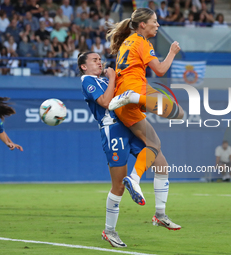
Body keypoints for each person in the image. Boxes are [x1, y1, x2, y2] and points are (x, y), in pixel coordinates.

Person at [78, 52, 181, 247]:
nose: (99, 62)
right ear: (83, 66)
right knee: (118, 185)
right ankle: (109, 231)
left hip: (129, 124)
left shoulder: (103, 79)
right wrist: (113, 79)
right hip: (113, 131)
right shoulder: (87, 81)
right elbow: (106, 103)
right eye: (94, 60)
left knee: (161, 164)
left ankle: (160, 214)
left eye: (100, 59)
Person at [106, 8, 184, 208]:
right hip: (134, 91)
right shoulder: (141, 42)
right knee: (179, 113)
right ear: (143, 24)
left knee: (154, 143)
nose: (157, 25)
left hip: (123, 99)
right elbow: (160, 70)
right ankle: (134, 98)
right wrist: (172, 52)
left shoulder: (127, 42)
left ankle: (135, 179)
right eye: (154, 21)